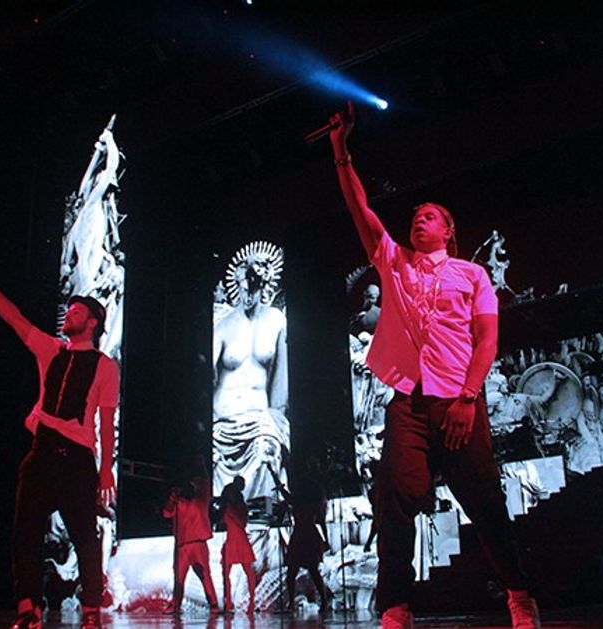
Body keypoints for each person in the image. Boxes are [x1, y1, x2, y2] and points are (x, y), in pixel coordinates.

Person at [327, 102, 540, 629]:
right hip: (409, 402)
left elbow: (487, 340)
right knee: (394, 495)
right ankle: (396, 606)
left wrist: (469, 397)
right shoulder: (394, 263)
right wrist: (340, 150)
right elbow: (359, 209)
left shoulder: (472, 275)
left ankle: (518, 593)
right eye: (414, 215)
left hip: (458, 399)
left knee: (486, 502)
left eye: (429, 215)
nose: (417, 218)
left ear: (448, 230)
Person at [0, 265, 117, 629]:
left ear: (93, 321)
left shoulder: (106, 367)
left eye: (77, 311)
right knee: (25, 531)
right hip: (42, 453)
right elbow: (13, 318)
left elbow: (107, 421)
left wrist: (106, 468)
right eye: (70, 310)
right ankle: (28, 606)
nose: (69, 314)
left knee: (84, 536)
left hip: (78, 458)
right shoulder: (51, 349)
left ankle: (91, 608)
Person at [212, 243, 289, 499]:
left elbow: (281, 379)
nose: (247, 291)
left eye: (254, 283)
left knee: (266, 480)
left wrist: (276, 415)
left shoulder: (276, 320)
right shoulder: (222, 325)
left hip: (260, 421)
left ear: (265, 282)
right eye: (243, 284)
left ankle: (264, 523)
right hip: (222, 422)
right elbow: (206, 380)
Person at [268, 462, 329, 612]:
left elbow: (321, 521)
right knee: (300, 571)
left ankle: (321, 602)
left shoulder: (302, 501)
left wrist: (273, 473)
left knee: (306, 571)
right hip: (305, 535)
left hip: (304, 536)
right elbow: (322, 522)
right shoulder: (307, 502)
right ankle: (302, 603)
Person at [163, 458, 219, 613]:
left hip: (198, 543)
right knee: (179, 577)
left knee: (205, 575)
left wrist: (202, 466)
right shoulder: (179, 502)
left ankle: (213, 604)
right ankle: (176, 605)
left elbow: (206, 483)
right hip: (182, 545)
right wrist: (171, 499)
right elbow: (167, 513)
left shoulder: (201, 499)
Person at [219, 476, 257, 613]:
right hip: (233, 539)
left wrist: (228, 511)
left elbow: (241, 523)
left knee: (247, 571)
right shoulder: (232, 507)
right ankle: (228, 602)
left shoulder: (237, 507)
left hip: (238, 539)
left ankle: (251, 601)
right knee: (227, 572)